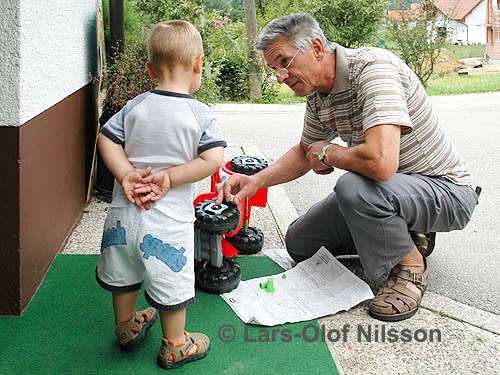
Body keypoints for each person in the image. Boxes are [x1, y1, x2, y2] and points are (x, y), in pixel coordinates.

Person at [216, 13, 479, 322]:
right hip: (387, 192)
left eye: (284, 62)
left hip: (444, 190)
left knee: (351, 188)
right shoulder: (317, 95)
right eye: (274, 69)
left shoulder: (373, 69)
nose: (281, 77)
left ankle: (410, 266)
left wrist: (331, 153)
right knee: (301, 243)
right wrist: (254, 181)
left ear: (316, 47)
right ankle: (406, 230)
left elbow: (380, 164)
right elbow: (304, 152)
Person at [96, 20, 226, 369]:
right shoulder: (200, 113)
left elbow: (106, 138)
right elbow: (213, 158)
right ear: (199, 64)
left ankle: (125, 327)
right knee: (170, 279)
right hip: (167, 221)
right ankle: (175, 344)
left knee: (123, 270)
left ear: (151, 69)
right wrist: (170, 176)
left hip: (124, 214)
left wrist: (125, 174)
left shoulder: (136, 105)